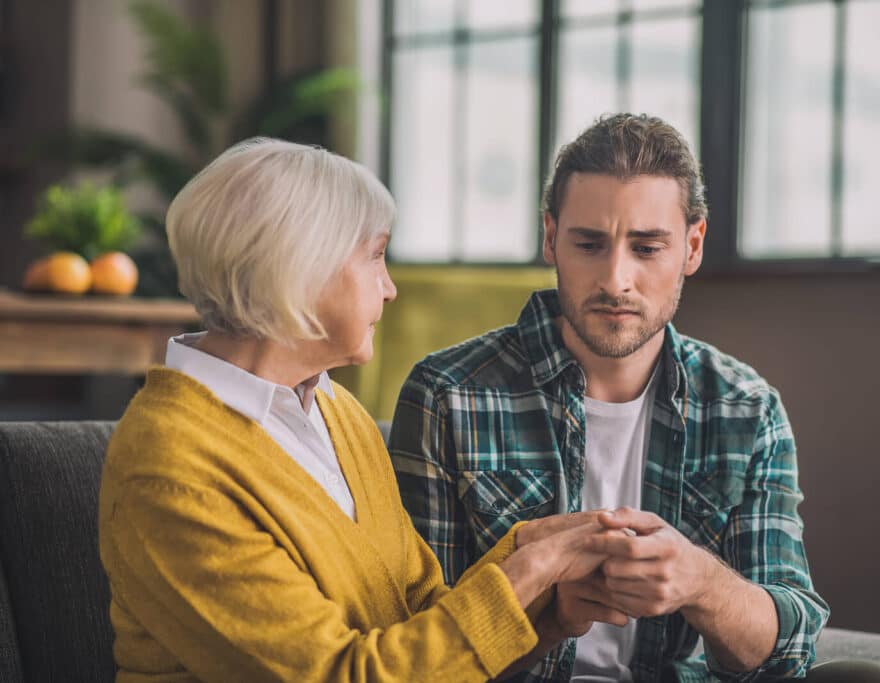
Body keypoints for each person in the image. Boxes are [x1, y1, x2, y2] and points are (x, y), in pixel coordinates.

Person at [389, 115, 880, 683]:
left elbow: (785, 652)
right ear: (550, 238)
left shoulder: (746, 409)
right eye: (589, 244)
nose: (616, 279)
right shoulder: (448, 396)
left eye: (646, 247)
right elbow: (423, 651)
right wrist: (552, 617)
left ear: (692, 246)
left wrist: (700, 581)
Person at [97, 138, 626, 682]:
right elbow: (339, 674)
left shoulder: (337, 411)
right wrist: (526, 573)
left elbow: (422, 618)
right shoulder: (169, 467)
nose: (390, 288)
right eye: (375, 256)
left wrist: (547, 605)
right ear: (299, 269)